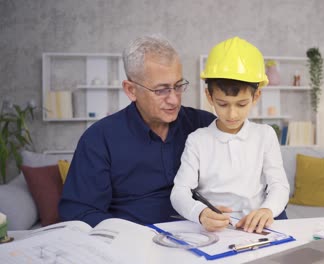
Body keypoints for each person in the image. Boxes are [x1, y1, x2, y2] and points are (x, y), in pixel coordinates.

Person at [59, 35, 216, 227]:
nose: (174, 99)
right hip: (131, 243)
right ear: (131, 90)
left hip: (203, 237)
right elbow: (79, 212)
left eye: (178, 86)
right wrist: (127, 234)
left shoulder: (205, 125)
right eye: (161, 90)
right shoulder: (99, 139)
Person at [170, 36, 290, 234]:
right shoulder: (197, 140)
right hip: (215, 231)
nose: (232, 114)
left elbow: (279, 185)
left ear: (256, 96)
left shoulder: (265, 135)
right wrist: (199, 213)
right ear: (209, 97)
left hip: (258, 230)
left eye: (242, 104)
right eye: (223, 104)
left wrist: (268, 209)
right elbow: (179, 192)